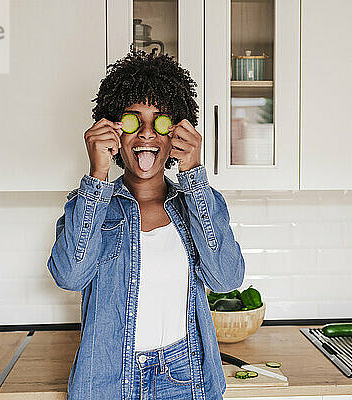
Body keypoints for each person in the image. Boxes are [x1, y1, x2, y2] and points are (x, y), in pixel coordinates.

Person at [47, 48, 245, 400]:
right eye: (133, 121)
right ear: (113, 132)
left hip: (186, 376)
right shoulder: (90, 207)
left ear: (177, 134)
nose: (147, 134)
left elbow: (226, 278)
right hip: (108, 380)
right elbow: (69, 276)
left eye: (161, 122)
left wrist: (194, 177)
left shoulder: (196, 205)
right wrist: (97, 175)